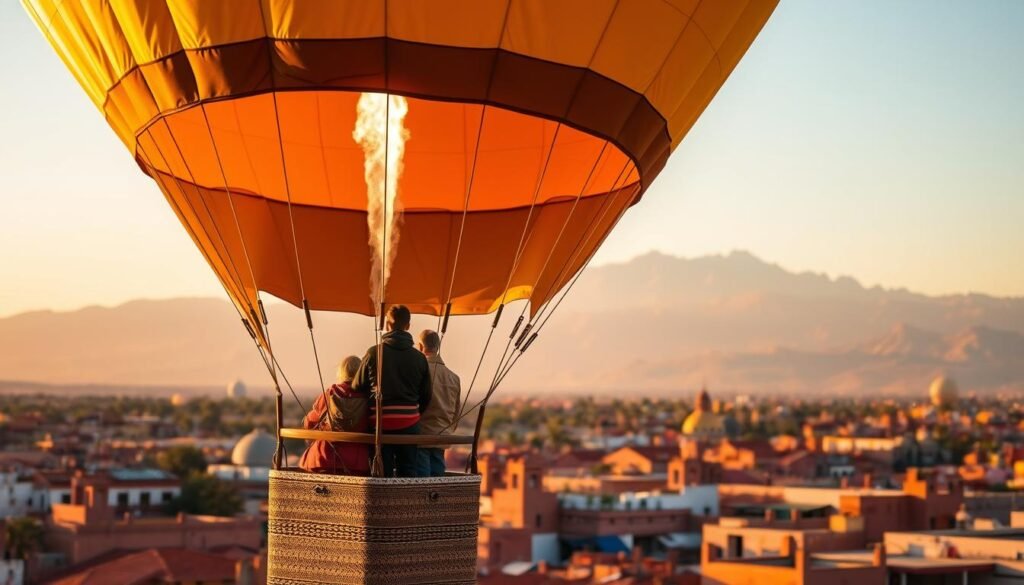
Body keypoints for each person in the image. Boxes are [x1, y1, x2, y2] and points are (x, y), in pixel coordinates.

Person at [352, 305, 432, 477]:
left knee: (381, 471)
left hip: (380, 423)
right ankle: (406, 502)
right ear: (408, 325)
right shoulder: (419, 358)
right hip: (410, 423)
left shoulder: (374, 353)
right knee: (408, 471)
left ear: (387, 325)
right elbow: (426, 395)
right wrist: (414, 413)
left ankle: (382, 502)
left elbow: (357, 385)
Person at [298, 355, 369, 475]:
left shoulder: (330, 394)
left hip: (323, 459)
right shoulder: (369, 397)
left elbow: (310, 422)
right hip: (359, 463)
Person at [416, 329, 462, 477]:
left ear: (420, 346)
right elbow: (456, 412)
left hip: (420, 436)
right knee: (437, 485)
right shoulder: (453, 378)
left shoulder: (418, 372)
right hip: (442, 437)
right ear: (438, 346)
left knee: (421, 485)